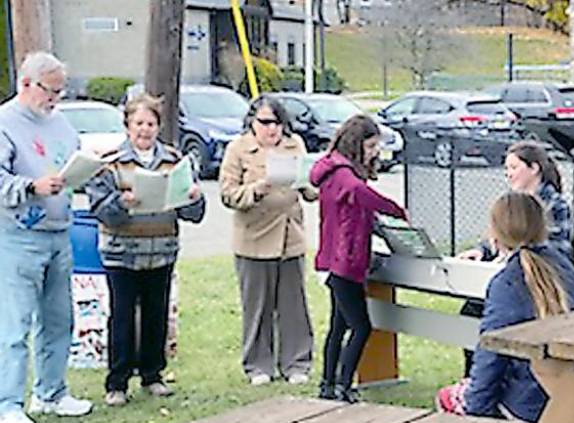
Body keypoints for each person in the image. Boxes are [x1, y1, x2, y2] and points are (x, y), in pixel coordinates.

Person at [87, 93, 206, 406]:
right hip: (121, 253)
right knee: (122, 317)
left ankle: (153, 374)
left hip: (162, 249)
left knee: (157, 313)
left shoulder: (174, 160)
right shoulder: (109, 162)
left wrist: (192, 197)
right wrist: (120, 203)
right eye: (138, 123)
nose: (145, 129)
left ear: (158, 126)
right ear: (127, 125)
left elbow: (194, 213)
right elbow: (99, 207)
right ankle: (117, 382)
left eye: (151, 123)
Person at [436, 191, 574, 423]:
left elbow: (490, 357)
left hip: (528, 404)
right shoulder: (564, 268)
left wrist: (477, 415)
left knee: (448, 397)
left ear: (495, 234)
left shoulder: (506, 284)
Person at [0, 52, 93, 423]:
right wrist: (30, 187)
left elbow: (72, 161)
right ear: (26, 84)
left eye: (60, 91)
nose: (55, 98)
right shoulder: (4, 123)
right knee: (15, 324)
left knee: (59, 319)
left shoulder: (62, 124)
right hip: (17, 236)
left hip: (59, 232)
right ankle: (8, 404)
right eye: (50, 91)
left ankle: (52, 392)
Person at [310, 115, 407, 403]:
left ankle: (328, 385)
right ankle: (343, 386)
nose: (375, 152)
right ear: (357, 144)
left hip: (334, 260)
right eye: (372, 145)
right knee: (361, 326)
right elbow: (360, 194)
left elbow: (359, 211)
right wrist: (397, 211)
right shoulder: (344, 175)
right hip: (343, 262)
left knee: (339, 326)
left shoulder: (333, 170)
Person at [219, 96, 315, 387]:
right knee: (257, 306)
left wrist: (308, 184)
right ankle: (258, 365)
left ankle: (297, 363)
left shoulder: (294, 145)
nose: (272, 130)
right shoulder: (238, 149)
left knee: (293, 305)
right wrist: (256, 190)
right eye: (265, 123)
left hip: (290, 237)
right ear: (252, 122)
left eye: (278, 123)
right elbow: (227, 193)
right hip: (254, 238)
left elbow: (310, 187)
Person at [457, 142, 574, 377]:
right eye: (506, 168)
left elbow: (553, 251)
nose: (508, 173)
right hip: (509, 274)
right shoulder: (509, 202)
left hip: (539, 284)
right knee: (469, 312)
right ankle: (472, 375)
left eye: (513, 167)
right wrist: (482, 251)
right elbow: (497, 236)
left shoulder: (555, 205)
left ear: (534, 168)